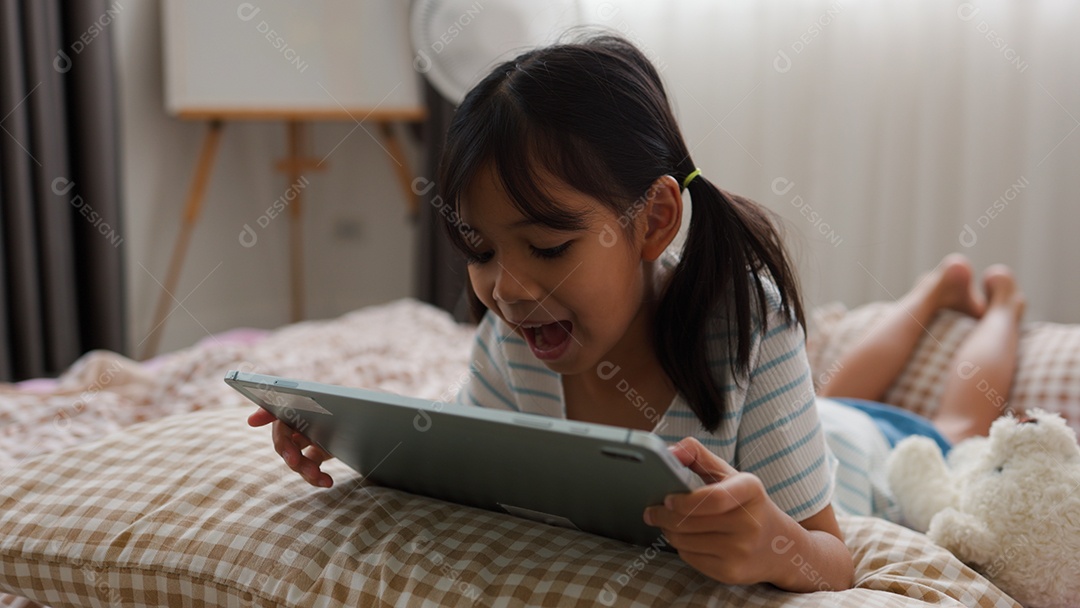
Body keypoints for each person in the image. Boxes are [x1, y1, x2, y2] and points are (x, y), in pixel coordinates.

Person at [247, 34, 1017, 593]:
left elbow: (834, 558)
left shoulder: (749, 322)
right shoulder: (508, 337)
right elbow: (461, 469)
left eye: (547, 247)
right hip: (815, 417)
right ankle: (930, 296)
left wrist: (771, 545)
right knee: (842, 390)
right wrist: (349, 439)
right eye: (479, 251)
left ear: (652, 222)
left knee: (944, 429)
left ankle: (990, 305)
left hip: (855, 463)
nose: (507, 290)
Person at [817, 253, 1025, 450]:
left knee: (958, 433)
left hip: (842, 446)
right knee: (834, 404)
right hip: (833, 432)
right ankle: (944, 292)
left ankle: (996, 303)